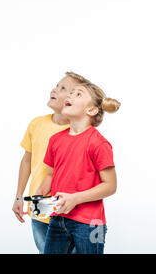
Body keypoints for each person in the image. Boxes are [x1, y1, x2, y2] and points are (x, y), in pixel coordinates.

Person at [36, 80, 120, 254]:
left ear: (91, 110)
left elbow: (110, 186)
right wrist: (38, 196)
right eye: (70, 92)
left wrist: (76, 198)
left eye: (78, 93)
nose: (69, 95)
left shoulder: (99, 144)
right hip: (58, 219)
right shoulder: (55, 140)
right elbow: (50, 175)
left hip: (91, 224)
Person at [12, 71, 89, 253]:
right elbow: (26, 162)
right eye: (57, 85)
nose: (54, 89)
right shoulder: (36, 124)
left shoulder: (79, 131)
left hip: (69, 211)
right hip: (39, 208)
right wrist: (19, 196)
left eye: (63, 88)